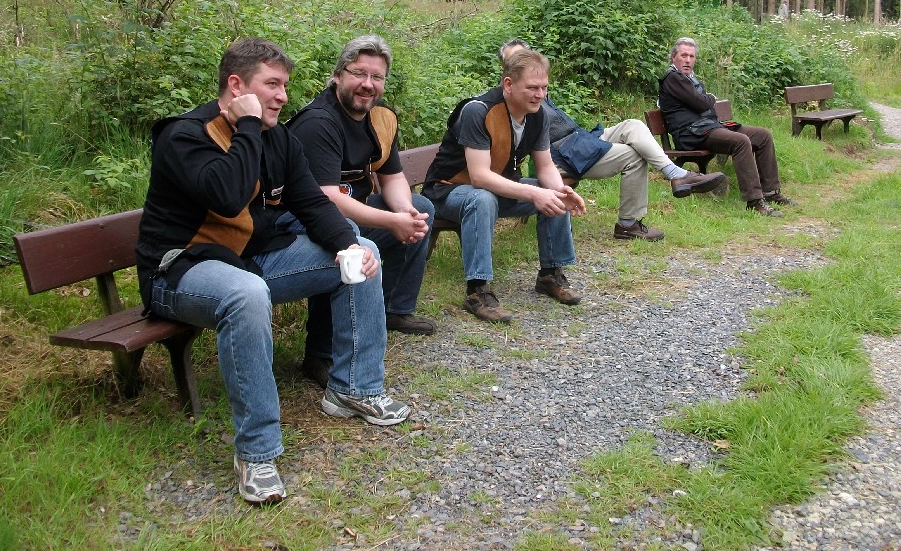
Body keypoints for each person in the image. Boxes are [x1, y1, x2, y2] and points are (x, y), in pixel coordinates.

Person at [134, 37, 410, 506]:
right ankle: (257, 452)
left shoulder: (277, 137)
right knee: (245, 294)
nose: (283, 96)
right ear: (236, 85)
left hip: (248, 260)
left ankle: (354, 388)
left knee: (362, 253)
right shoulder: (184, 136)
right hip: (179, 270)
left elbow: (311, 203)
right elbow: (226, 196)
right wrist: (246, 124)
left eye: (285, 86)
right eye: (272, 85)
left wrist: (348, 244)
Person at [287, 35, 435, 389]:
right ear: (338, 75)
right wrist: (390, 221)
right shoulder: (318, 121)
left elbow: (392, 177)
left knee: (421, 208)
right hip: (304, 221)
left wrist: (405, 214)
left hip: (354, 209)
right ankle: (319, 353)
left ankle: (392, 309)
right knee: (346, 238)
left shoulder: (380, 119)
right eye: (359, 73)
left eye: (377, 77)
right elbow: (326, 199)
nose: (368, 84)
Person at [498, 39, 726, 242]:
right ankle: (628, 224)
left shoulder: (537, 89)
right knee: (634, 156)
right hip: (565, 155)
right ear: (506, 71)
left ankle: (676, 174)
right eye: (514, 61)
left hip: (580, 140)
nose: (522, 65)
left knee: (633, 125)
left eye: (525, 58)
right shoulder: (513, 98)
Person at [422, 47, 587, 323]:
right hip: (447, 191)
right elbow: (479, 177)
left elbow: (546, 166)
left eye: (544, 88)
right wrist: (534, 193)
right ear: (508, 84)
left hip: (496, 189)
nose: (540, 95)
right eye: (532, 88)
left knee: (553, 193)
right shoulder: (478, 111)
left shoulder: (538, 115)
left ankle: (550, 274)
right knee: (482, 198)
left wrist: (561, 191)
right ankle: (477, 291)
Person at [658, 37, 793, 216]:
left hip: (707, 128)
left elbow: (700, 102)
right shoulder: (673, 78)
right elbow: (700, 103)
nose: (688, 60)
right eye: (684, 55)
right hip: (691, 134)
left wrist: (706, 100)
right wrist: (710, 98)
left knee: (763, 135)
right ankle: (754, 201)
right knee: (740, 141)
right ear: (673, 57)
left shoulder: (689, 78)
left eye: (692, 56)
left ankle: (770, 192)